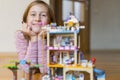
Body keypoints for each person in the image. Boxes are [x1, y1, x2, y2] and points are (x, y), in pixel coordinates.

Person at [15, 0, 55, 79]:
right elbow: (28, 69)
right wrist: (33, 38)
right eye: (33, 14)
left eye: (43, 15)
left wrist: (41, 39)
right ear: (25, 20)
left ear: (50, 21)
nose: (37, 19)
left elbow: (45, 70)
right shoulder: (20, 36)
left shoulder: (55, 37)